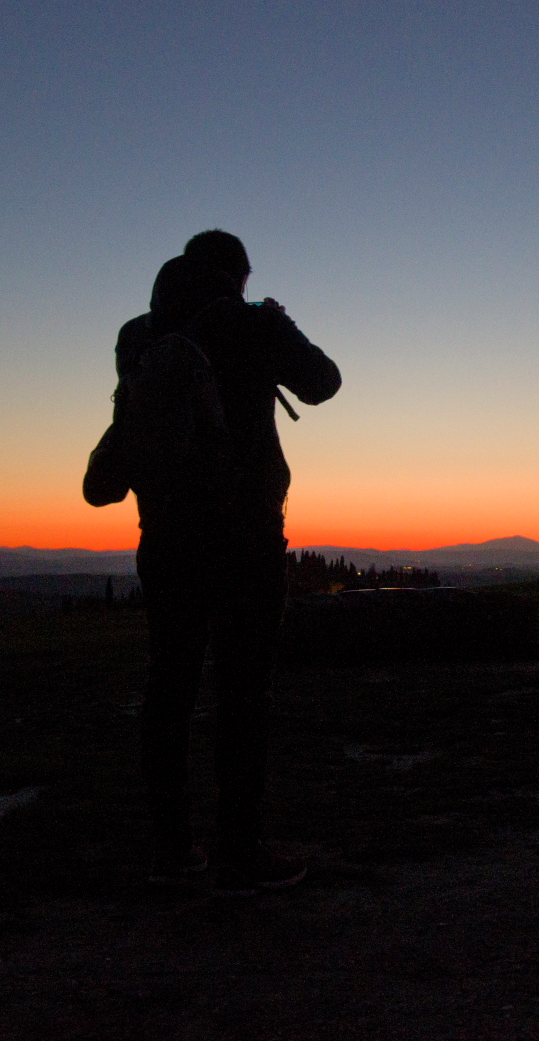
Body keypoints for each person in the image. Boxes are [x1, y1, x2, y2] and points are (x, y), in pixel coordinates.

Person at [113, 229, 341, 893]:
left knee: (170, 688)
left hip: (162, 536)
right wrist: (278, 322)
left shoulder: (143, 336)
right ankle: (240, 849)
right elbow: (323, 381)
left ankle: (172, 846)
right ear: (237, 275)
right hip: (243, 535)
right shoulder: (248, 323)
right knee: (243, 692)